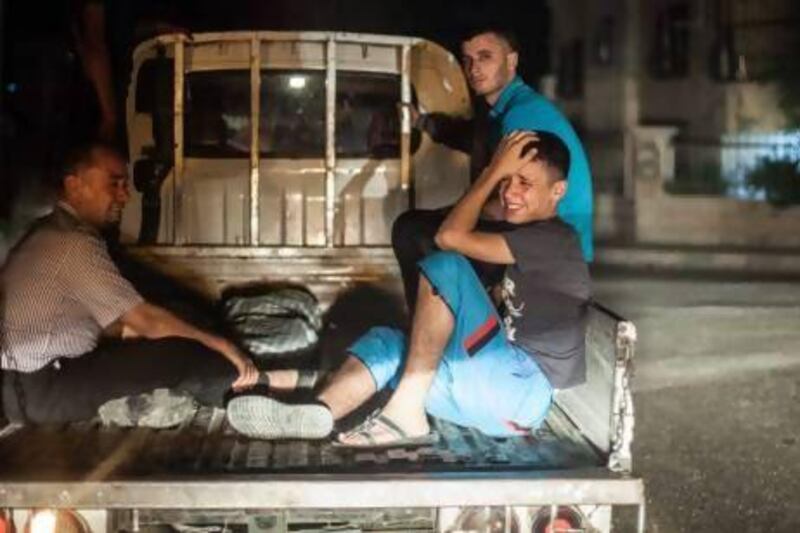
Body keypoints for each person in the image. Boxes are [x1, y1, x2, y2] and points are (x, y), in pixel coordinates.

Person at [225, 131, 590, 447]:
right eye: (507, 181)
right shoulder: (524, 235)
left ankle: (406, 413)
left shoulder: (556, 239)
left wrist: (495, 168)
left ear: (558, 191)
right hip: (485, 395)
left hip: (522, 391)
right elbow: (453, 228)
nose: (510, 192)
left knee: (447, 264)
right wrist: (499, 173)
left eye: (525, 183)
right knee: (387, 343)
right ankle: (318, 413)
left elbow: (449, 238)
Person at [0, 142, 259, 425]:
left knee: (175, 335)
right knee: (183, 353)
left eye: (126, 185)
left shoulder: (48, 232)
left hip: (21, 391)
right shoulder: (73, 243)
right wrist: (223, 345)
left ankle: (244, 386)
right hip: (46, 392)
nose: (124, 196)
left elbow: (92, 320)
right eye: (114, 184)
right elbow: (147, 320)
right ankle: (258, 391)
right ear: (75, 186)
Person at [393, 28, 593, 311]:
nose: (474, 68)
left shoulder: (522, 115)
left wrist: (454, 214)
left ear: (511, 61)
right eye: (467, 59)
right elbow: (469, 137)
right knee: (430, 225)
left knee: (414, 231)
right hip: (528, 229)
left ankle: (444, 333)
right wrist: (422, 122)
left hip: (547, 247)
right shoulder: (504, 110)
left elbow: (511, 197)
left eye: (485, 57)